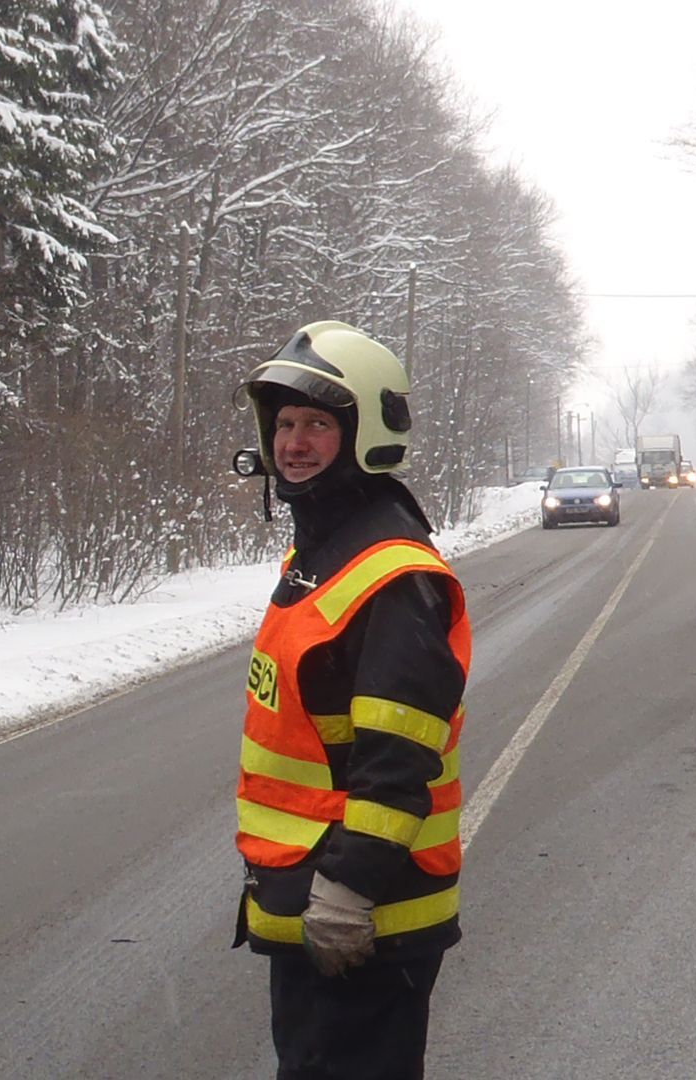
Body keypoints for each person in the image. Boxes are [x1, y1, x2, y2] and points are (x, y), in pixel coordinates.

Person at [232, 320, 471, 1079]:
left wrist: (347, 890)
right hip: (314, 902)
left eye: (318, 425)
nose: (294, 443)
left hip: (366, 918)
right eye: (286, 425)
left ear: (367, 432)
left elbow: (397, 760)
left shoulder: (392, 575)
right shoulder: (322, 552)